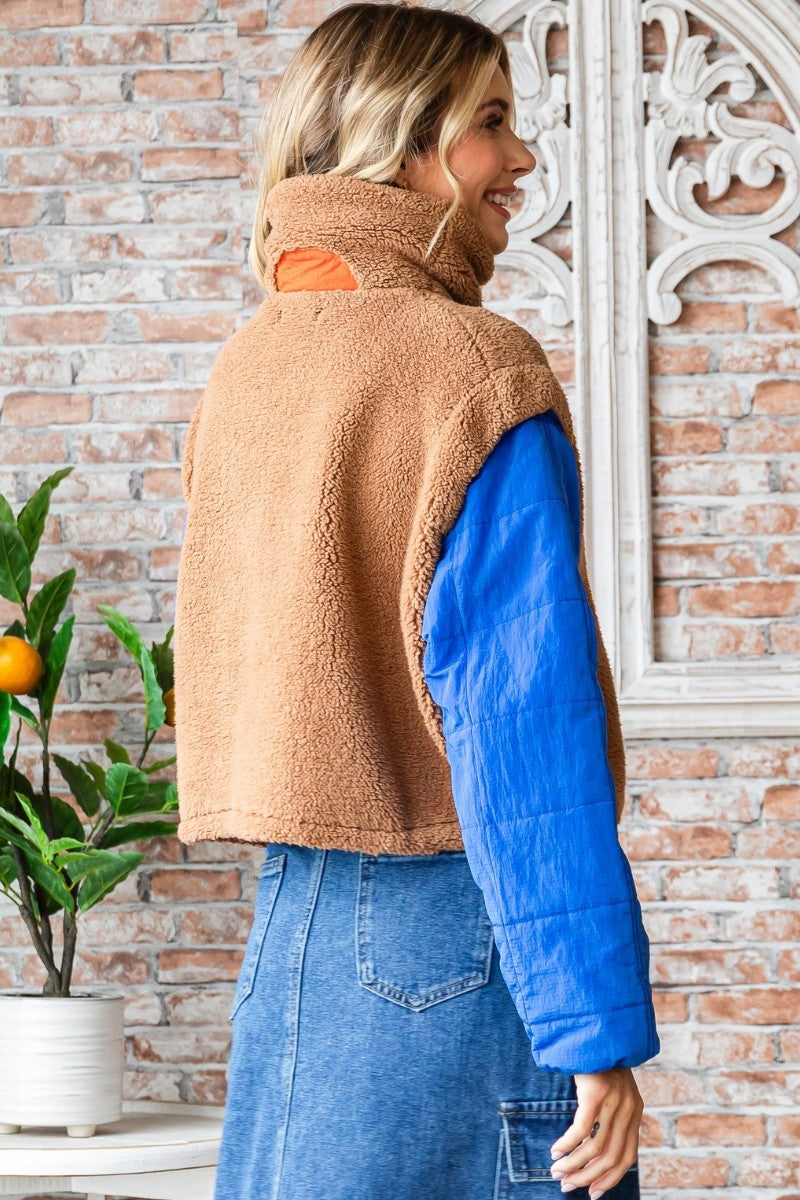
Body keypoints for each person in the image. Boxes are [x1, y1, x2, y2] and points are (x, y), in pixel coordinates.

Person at [173, 3, 660, 1197]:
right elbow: (518, 718)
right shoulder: (467, 369)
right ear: (404, 143)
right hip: (456, 940)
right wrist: (591, 1026)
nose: (521, 157)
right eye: (490, 121)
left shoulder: (250, 365)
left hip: (290, 939)